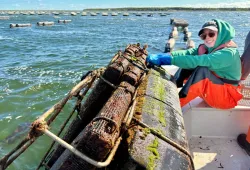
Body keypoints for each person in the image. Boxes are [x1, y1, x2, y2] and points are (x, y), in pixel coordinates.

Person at [147, 19, 243, 109]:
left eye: (211, 34)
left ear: (222, 34)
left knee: (201, 69)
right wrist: (166, 55)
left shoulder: (229, 53)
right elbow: (187, 53)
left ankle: (172, 106)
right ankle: (174, 87)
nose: (207, 38)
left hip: (227, 98)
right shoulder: (209, 48)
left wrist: (169, 60)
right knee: (187, 62)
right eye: (203, 36)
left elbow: (199, 61)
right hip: (215, 90)